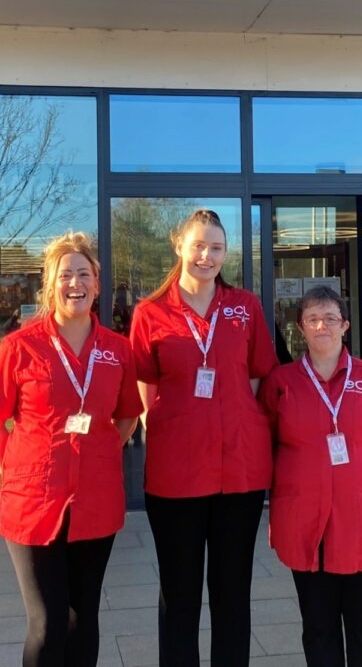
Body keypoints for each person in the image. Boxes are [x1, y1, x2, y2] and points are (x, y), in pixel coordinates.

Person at [0, 232, 142, 667]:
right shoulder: (21, 346)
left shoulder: (117, 350)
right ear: (50, 285)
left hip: (96, 500)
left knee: (82, 618)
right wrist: (15, 470)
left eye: (84, 274)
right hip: (33, 503)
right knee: (47, 623)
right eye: (65, 275)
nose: (75, 283)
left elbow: (127, 415)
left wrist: (100, 452)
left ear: (97, 284)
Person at [129, 208, 278, 667]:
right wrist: (167, 427)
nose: (206, 256)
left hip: (239, 471)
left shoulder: (244, 307)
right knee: (180, 594)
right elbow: (144, 383)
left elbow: (258, 375)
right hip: (176, 475)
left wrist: (236, 419)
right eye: (198, 245)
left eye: (216, 248)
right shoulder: (150, 312)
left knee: (232, 593)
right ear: (178, 245)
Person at [258, 285, 362, 667]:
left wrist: (356, 470)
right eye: (312, 319)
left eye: (329, 318)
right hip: (306, 522)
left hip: (361, 521)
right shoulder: (281, 383)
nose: (321, 326)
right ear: (300, 328)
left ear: (345, 326)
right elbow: (267, 444)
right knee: (318, 628)